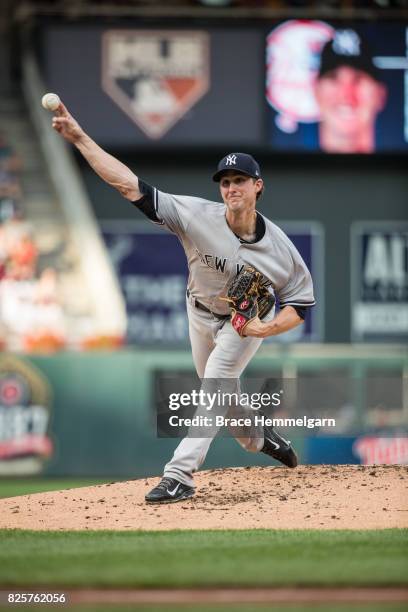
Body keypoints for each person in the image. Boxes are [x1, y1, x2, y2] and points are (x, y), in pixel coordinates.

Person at [51, 102, 315, 504]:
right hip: (199, 312)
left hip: (244, 321)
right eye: (225, 182)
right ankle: (261, 438)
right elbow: (129, 185)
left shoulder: (280, 249)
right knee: (227, 408)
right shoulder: (195, 215)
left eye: (240, 180)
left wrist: (266, 327)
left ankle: (180, 476)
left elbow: (300, 304)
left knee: (216, 380)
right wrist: (80, 139)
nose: (231, 188)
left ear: (258, 185)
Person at [314, 29, 387, 153]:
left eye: (358, 79)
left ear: (380, 95)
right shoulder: (287, 168)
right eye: (333, 78)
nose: (346, 96)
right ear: (315, 92)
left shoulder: (398, 168)